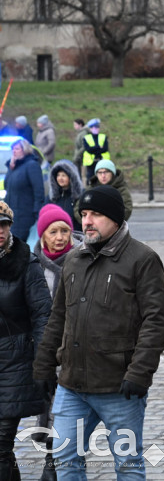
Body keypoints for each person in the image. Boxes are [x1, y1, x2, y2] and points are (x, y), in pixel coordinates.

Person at [33, 185, 164, 480]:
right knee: (64, 455)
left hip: (119, 386)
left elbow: (156, 321)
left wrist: (140, 372)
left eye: (96, 214)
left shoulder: (142, 259)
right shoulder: (74, 259)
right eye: (84, 214)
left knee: (127, 463)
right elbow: (59, 316)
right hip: (72, 384)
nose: (87, 221)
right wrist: (44, 364)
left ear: (116, 218)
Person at [0, 200, 51, 481]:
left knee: (2, 440)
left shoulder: (25, 262)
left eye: (3, 224)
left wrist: (43, 362)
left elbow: (43, 314)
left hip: (16, 362)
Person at [31, 204, 81, 480]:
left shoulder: (83, 260)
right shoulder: (34, 265)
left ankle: (67, 458)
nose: (60, 237)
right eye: (54, 232)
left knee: (69, 407)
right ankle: (52, 459)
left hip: (76, 345)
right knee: (49, 405)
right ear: (43, 236)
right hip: (46, 346)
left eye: (65, 230)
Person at [6, 138, 44, 241]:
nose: (14, 151)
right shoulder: (15, 166)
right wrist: (11, 168)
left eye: (17, 149)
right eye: (13, 149)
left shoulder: (32, 165)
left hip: (25, 215)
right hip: (12, 214)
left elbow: (39, 191)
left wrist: (37, 213)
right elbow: (6, 185)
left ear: (25, 150)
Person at [78, 158, 134, 222]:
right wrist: (88, 222)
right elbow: (78, 207)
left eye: (106, 172)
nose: (103, 175)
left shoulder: (121, 189)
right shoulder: (90, 189)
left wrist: (110, 223)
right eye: (100, 172)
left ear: (112, 173)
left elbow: (127, 209)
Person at [48, 159, 83, 231]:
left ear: (71, 177)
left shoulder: (80, 197)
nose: (60, 178)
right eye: (58, 175)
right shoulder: (52, 198)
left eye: (63, 175)